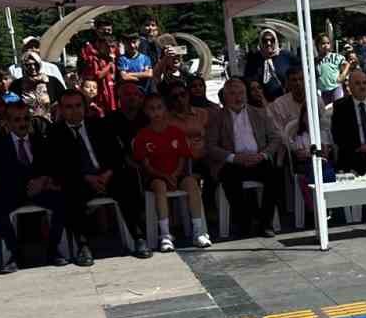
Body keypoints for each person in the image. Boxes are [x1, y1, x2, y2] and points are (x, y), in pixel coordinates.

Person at [46, 90, 150, 262]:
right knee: (69, 193)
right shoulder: (54, 133)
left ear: (85, 107)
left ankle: (138, 237)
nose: (74, 110)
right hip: (80, 180)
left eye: (78, 105)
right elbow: (59, 166)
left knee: (127, 181)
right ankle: (83, 245)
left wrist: (108, 173)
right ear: (62, 110)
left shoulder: (99, 125)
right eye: (69, 107)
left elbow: (117, 153)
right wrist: (87, 177)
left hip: (107, 176)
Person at [0, 101, 68, 272]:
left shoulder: (40, 140)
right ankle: (13, 254)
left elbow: (52, 166)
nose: (22, 123)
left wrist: (44, 180)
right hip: (13, 191)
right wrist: (26, 185)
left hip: (40, 189)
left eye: (26, 119)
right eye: (17, 120)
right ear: (8, 123)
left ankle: (53, 250)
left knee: (62, 201)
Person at [132, 95, 210, 251]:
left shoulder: (175, 132)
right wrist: (164, 176)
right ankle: (166, 235)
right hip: (155, 176)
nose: (156, 112)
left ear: (165, 110)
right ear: (146, 112)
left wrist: (175, 174)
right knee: (160, 187)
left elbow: (182, 156)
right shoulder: (143, 135)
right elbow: (145, 164)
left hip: (176, 173)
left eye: (159, 107)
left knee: (191, 184)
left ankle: (198, 231)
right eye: (152, 109)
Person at [207, 78, 279, 238]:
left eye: (241, 93)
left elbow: (275, 138)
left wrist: (262, 155)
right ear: (225, 97)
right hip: (233, 162)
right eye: (232, 94)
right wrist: (234, 158)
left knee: (274, 176)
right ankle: (244, 222)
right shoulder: (217, 117)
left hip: (257, 159)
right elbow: (210, 146)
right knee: (229, 178)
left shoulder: (259, 113)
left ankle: (265, 223)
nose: (238, 97)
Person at [244, 29, 294, 100]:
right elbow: (249, 79)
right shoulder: (254, 59)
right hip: (262, 103)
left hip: (286, 100)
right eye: (265, 40)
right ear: (261, 42)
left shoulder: (286, 55)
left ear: (276, 41)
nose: (269, 43)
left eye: (272, 40)